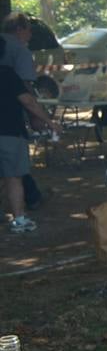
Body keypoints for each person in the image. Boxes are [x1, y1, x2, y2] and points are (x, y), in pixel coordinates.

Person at [0, 39, 57, 233]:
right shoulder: (8, 74)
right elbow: (28, 101)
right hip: (10, 132)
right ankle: (19, 219)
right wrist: (49, 122)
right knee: (14, 177)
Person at [0, 13, 44, 211]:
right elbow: (25, 87)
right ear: (19, 29)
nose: (30, 34)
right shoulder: (20, 51)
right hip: (12, 114)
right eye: (28, 29)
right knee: (16, 165)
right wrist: (37, 114)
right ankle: (30, 199)